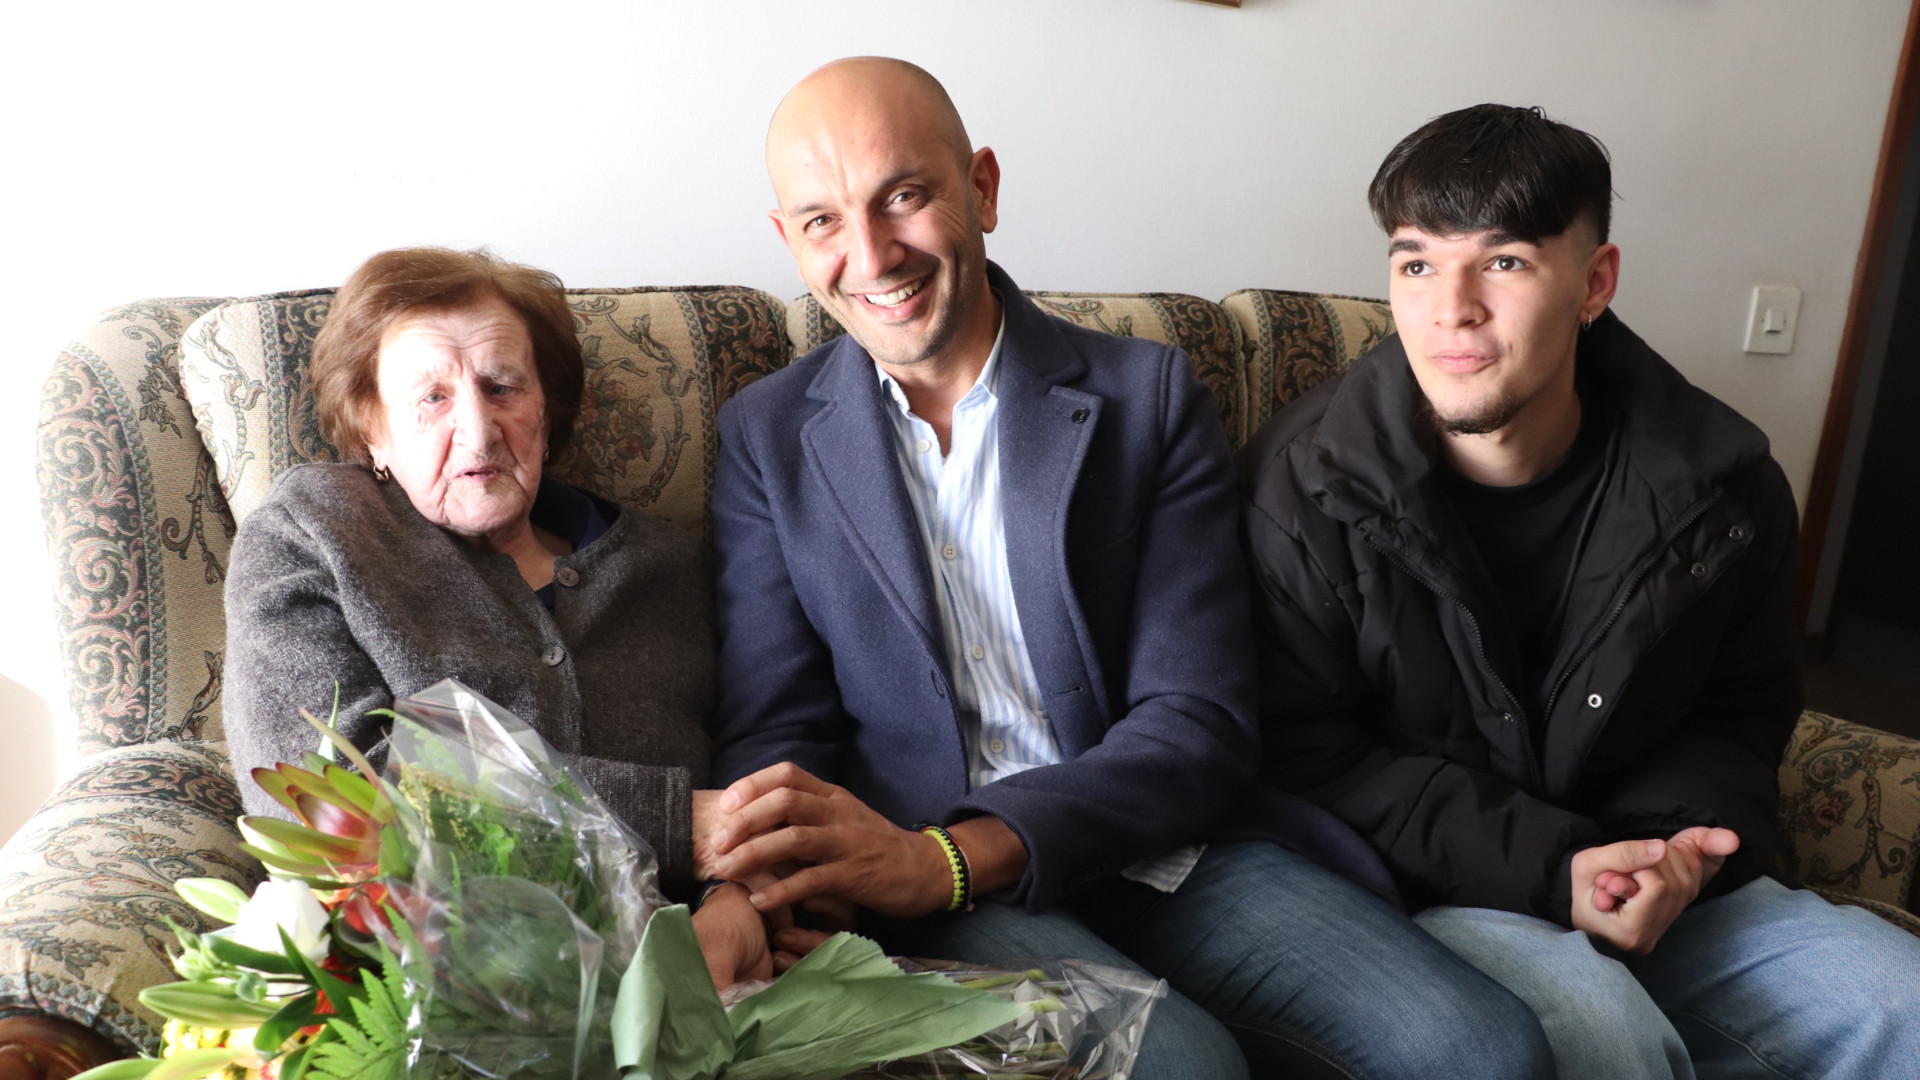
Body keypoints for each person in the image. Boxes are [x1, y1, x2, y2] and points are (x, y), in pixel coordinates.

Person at [703, 58, 1554, 1079]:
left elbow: (1199, 719)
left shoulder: (1144, 397)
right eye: (822, 220)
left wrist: (952, 860)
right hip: (919, 874)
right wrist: (745, 893)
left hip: (1161, 847)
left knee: (1485, 1050)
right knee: (1183, 1069)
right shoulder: (767, 437)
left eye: (905, 195)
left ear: (981, 188)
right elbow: (776, 726)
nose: (872, 253)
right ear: (787, 240)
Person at [1239, 103, 1920, 1079]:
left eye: (1504, 261)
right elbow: (1307, 759)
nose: (1451, 308)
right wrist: (1552, 868)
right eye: (1417, 262)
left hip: (1655, 882)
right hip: (1428, 897)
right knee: (1598, 1039)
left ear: (1594, 282)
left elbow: (1741, 715)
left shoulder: (1727, 490)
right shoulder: (1300, 490)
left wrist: (1669, 854)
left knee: (1905, 1002)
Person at [224, 247, 775, 990]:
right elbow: (323, 802)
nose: (479, 432)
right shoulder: (313, 532)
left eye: (502, 386)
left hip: (692, 984)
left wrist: (734, 897)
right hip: (432, 996)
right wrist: (671, 824)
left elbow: (751, 748)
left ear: (547, 411)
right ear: (371, 426)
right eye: (432, 399)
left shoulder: (664, 564)